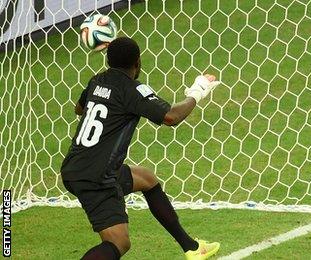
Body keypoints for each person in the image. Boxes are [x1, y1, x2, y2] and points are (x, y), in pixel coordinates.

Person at [60, 37, 220, 260]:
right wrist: (197, 91)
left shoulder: (97, 81)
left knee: (146, 178)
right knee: (119, 242)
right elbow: (171, 117)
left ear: (108, 60)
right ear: (137, 62)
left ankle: (192, 248)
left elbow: (79, 109)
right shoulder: (132, 90)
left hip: (76, 166)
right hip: (97, 177)